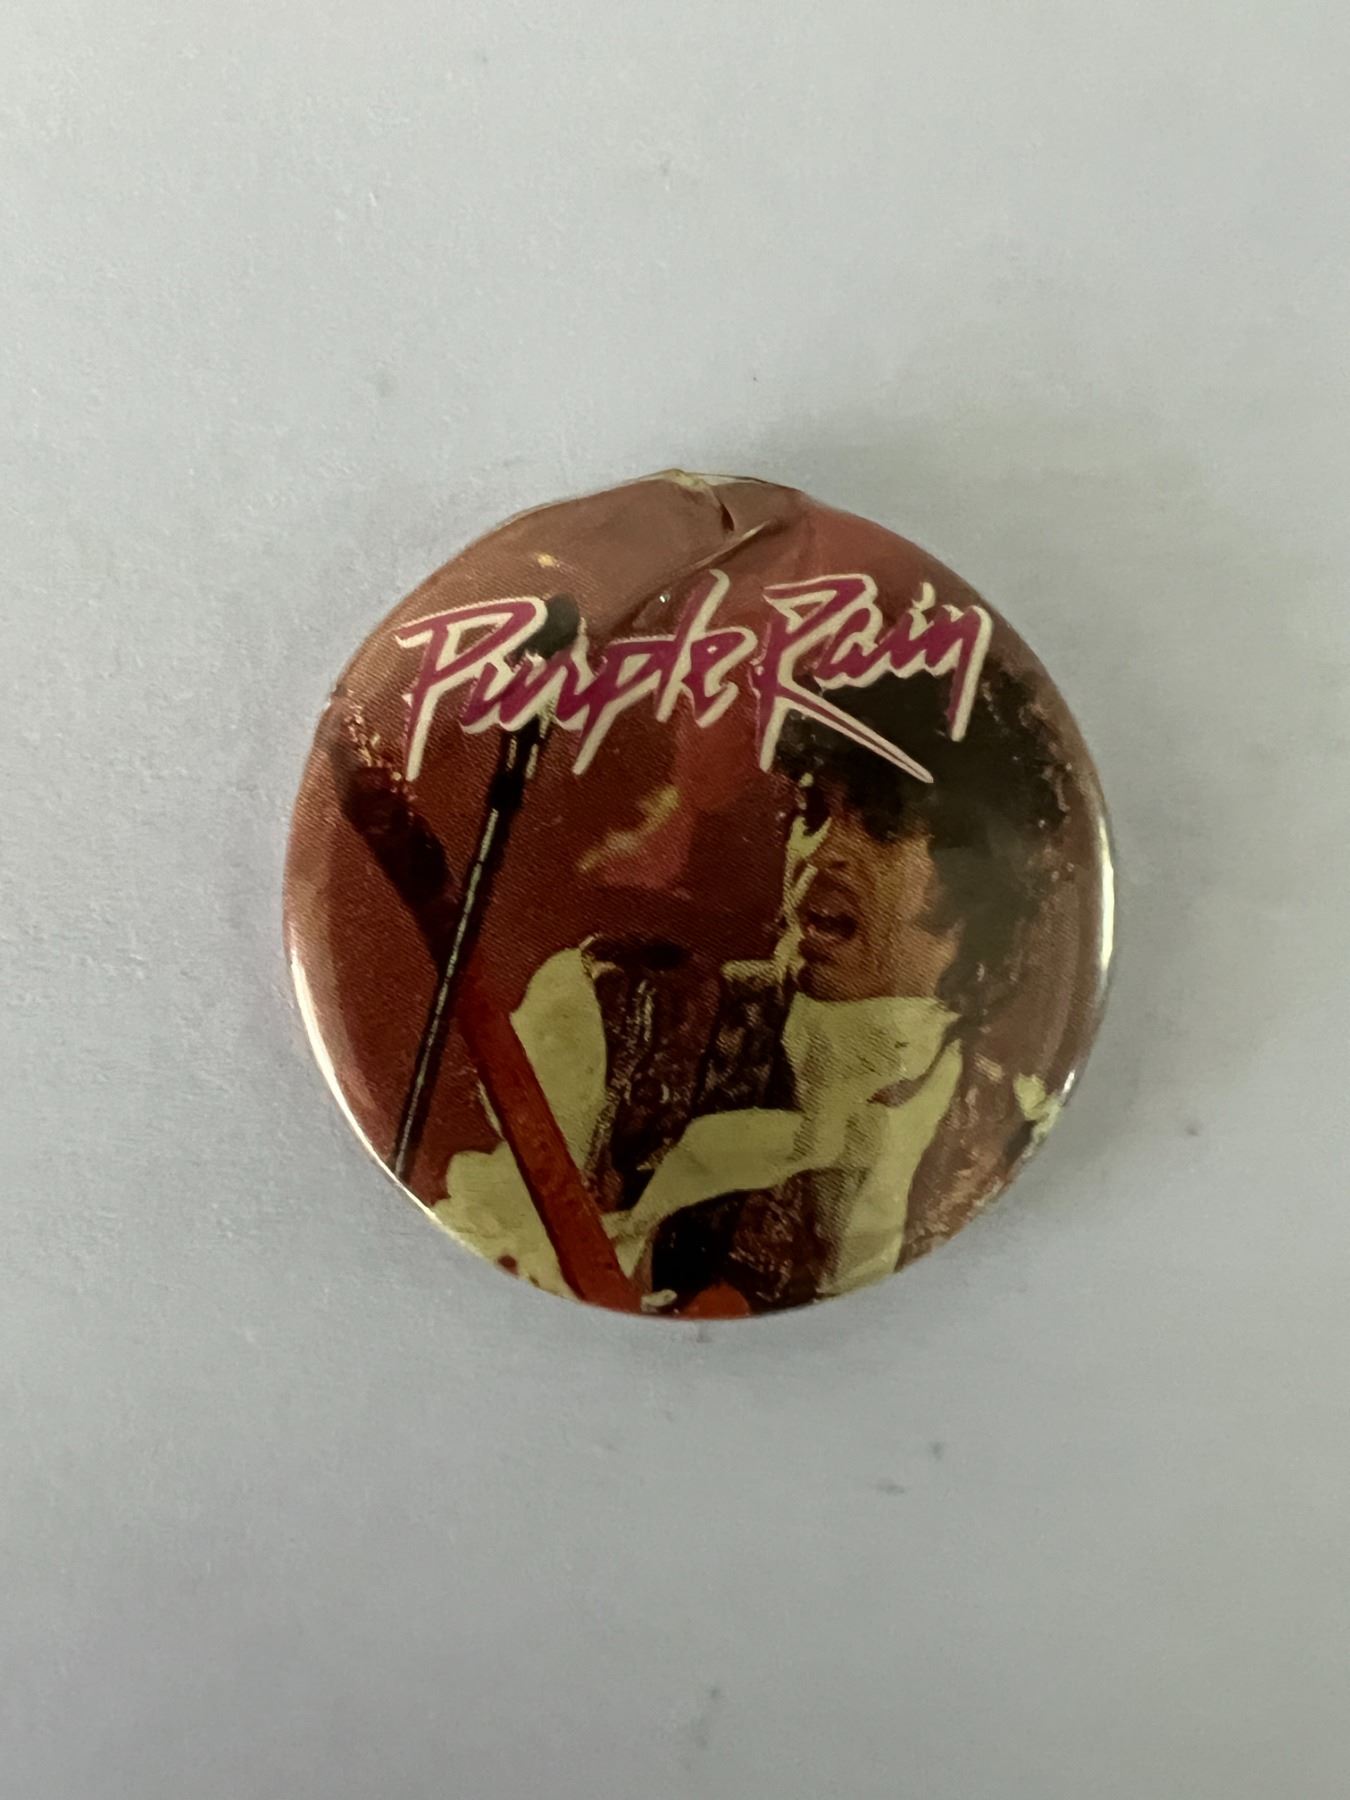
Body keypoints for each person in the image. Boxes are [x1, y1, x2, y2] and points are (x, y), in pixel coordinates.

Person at [436, 661, 1068, 1312]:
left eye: (882, 826)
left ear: (979, 880)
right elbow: (482, 1262)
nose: (820, 852)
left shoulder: (1015, 1132)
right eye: (812, 813)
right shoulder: (620, 1015)